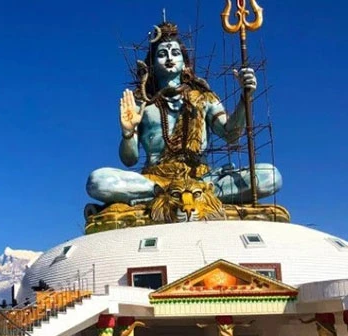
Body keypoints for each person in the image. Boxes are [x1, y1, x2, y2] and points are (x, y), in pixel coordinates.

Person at [87, 21, 280, 206]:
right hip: (155, 181)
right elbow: (130, 160)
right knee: (98, 181)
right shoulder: (143, 103)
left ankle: (190, 193)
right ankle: (167, 194)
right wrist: (128, 132)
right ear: (152, 63)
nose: (169, 58)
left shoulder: (204, 97)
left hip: (202, 178)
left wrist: (245, 99)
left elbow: (231, 135)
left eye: (175, 53)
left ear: (184, 62)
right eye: (162, 54)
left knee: (270, 176)